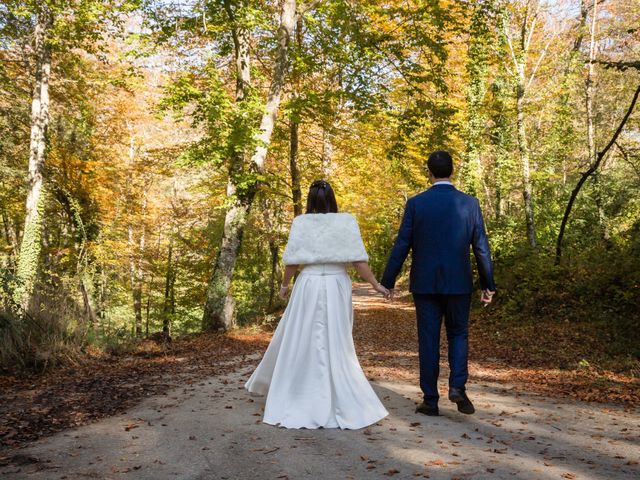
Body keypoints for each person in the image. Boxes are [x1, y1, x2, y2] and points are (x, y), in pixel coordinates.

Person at [245, 180, 390, 429]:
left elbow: (292, 261)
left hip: (308, 284)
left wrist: (284, 285)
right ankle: (339, 392)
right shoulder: (346, 221)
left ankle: (298, 390)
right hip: (336, 284)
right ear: (333, 199)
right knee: (337, 339)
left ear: (310, 201)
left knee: (302, 336)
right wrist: (376, 284)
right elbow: (358, 261)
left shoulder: (301, 222)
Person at [380, 151, 496, 416]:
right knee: (458, 334)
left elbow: (402, 244)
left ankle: (430, 400)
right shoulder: (470, 204)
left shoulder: (416, 204)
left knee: (428, 339)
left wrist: (388, 281)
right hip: (459, 283)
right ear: (451, 171)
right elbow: (481, 248)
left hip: (425, 284)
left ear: (429, 172)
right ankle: (457, 387)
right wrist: (488, 284)